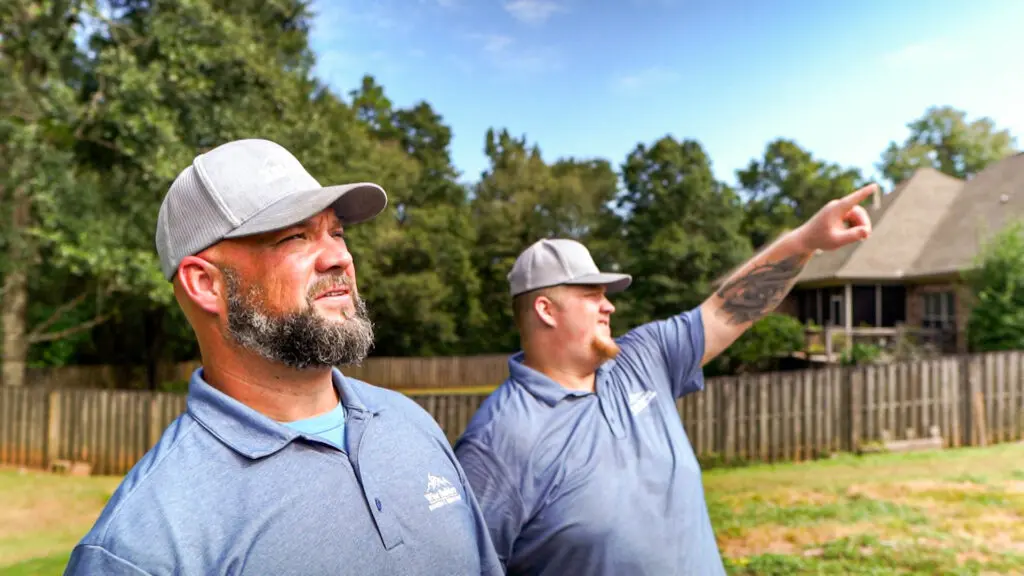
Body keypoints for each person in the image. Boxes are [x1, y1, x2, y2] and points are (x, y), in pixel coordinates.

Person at [64, 138, 503, 576]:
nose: (340, 257)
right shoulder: (143, 545)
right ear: (204, 285)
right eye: (296, 236)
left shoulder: (412, 423)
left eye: (337, 232)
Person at [453, 184, 878, 575]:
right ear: (547, 310)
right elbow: (464, 564)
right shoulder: (498, 442)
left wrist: (805, 241)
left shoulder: (644, 359)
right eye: (591, 296)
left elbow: (729, 309)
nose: (609, 308)